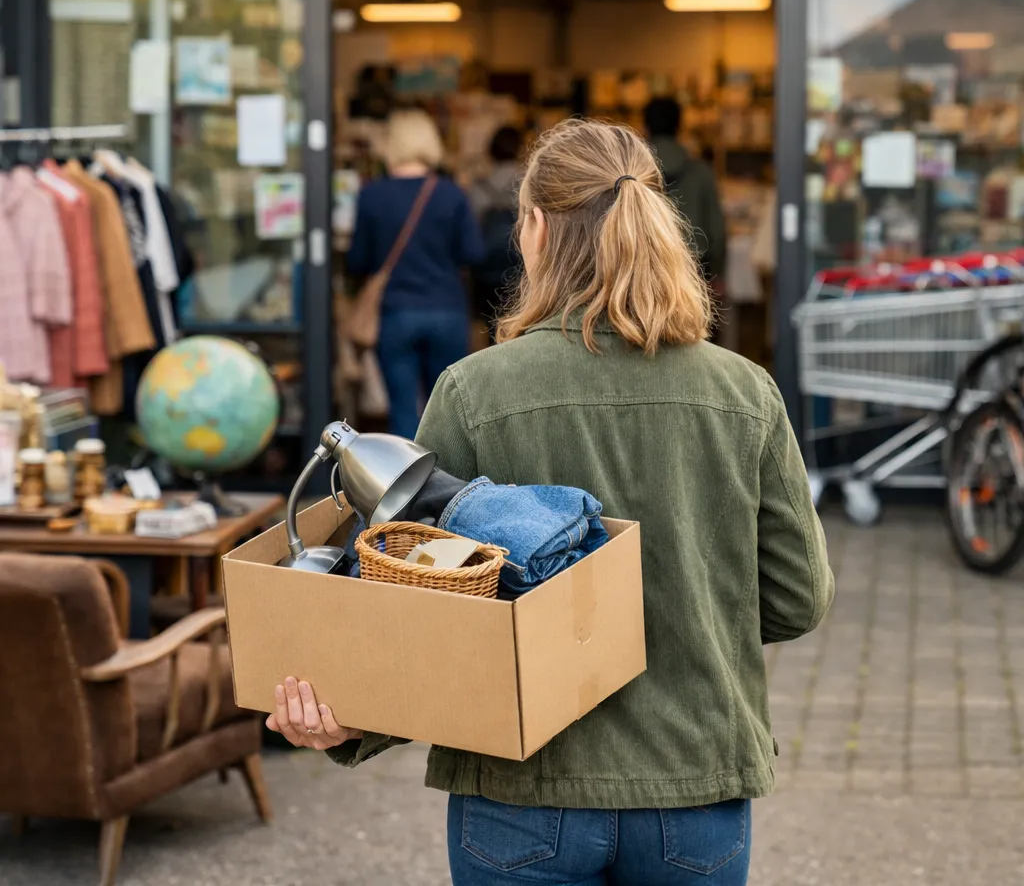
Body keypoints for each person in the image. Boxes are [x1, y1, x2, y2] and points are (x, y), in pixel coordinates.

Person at [271, 119, 833, 885]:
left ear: (535, 227)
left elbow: (416, 607)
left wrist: (345, 724)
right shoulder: (746, 392)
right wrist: (698, 611)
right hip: (695, 784)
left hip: (519, 791)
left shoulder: (475, 392)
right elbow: (797, 600)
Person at [346, 109, 483, 439]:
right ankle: (450, 486)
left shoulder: (371, 195)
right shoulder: (451, 193)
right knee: (450, 411)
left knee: (403, 410)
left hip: (395, 314)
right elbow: (473, 252)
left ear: (391, 145)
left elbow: (357, 260)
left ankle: (407, 487)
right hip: (446, 311)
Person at [644, 95, 726, 296]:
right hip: (693, 270)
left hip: (645, 269)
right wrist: (718, 272)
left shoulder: (633, 172)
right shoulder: (701, 171)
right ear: (680, 126)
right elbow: (717, 230)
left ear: (645, 126)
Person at [469, 125, 524, 341]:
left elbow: (472, 229)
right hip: (520, 266)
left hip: (486, 268)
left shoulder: (478, 187)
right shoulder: (528, 183)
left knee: (491, 327)